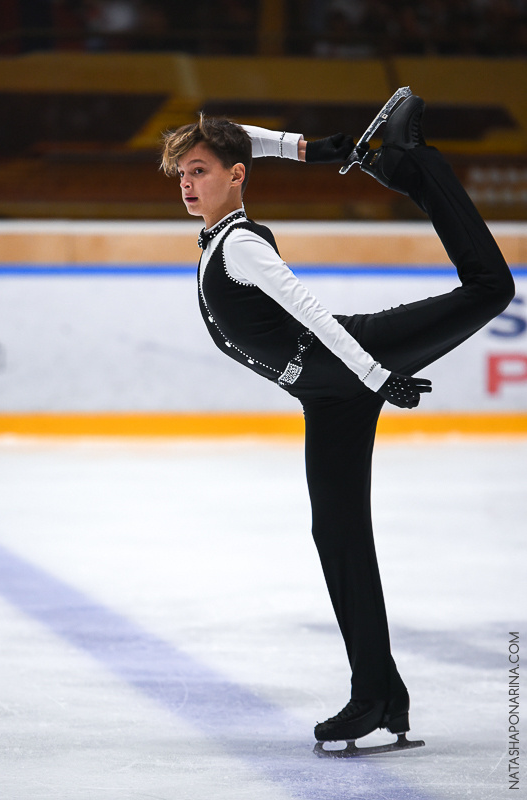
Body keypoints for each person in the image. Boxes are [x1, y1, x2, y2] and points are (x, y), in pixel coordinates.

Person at [160, 96, 515, 748]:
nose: (187, 183)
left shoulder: (240, 246)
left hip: (352, 364)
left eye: (201, 171)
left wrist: (377, 376)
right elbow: (240, 140)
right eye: (182, 174)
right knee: (338, 536)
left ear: (235, 176)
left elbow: (312, 311)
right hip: (327, 398)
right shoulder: (216, 240)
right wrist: (311, 149)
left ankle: (417, 164)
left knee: (491, 289)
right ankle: (379, 694)